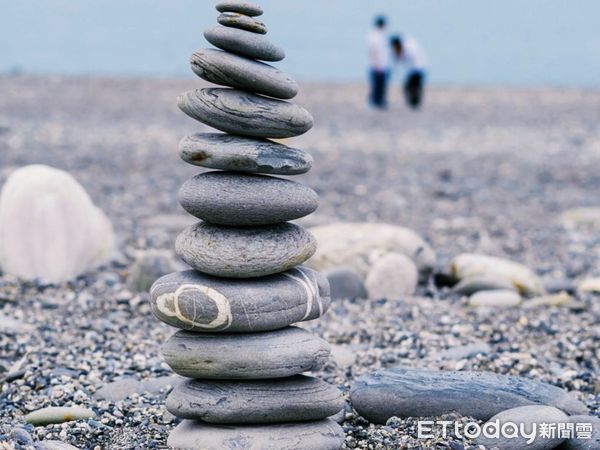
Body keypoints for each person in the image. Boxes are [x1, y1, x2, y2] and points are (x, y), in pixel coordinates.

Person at [391, 35, 429, 109]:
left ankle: (415, 103)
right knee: (412, 87)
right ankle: (414, 103)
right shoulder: (407, 45)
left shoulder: (409, 47)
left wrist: (399, 56)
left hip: (417, 69)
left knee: (413, 87)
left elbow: (406, 57)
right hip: (415, 69)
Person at [367, 16, 390, 109]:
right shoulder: (375, 36)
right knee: (377, 86)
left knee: (380, 86)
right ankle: (375, 103)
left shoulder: (380, 35)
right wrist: (377, 64)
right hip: (377, 65)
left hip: (382, 65)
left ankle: (380, 102)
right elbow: (374, 51)